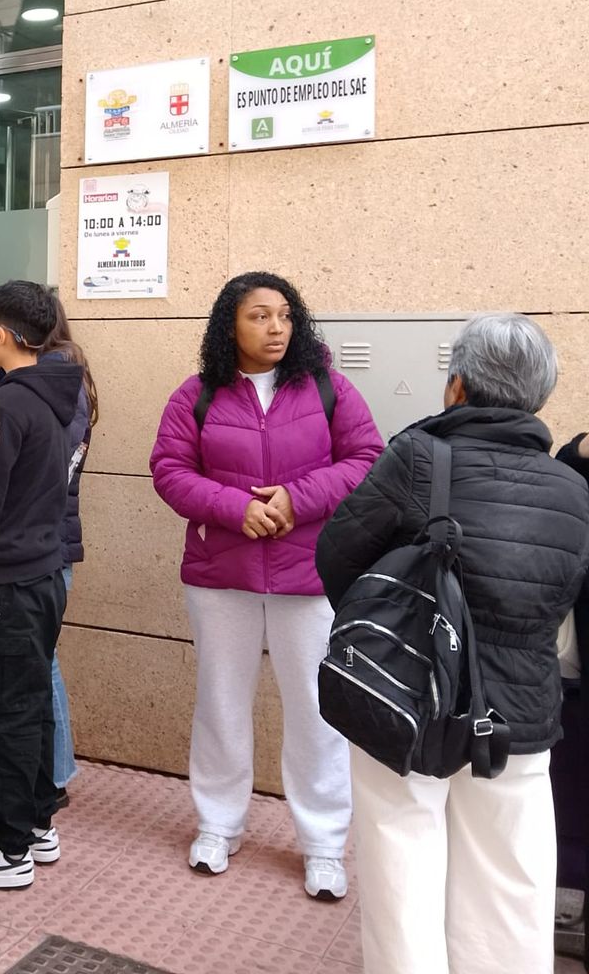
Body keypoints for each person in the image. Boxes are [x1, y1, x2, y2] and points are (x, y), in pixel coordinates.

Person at [316, 313, 589, 972]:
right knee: (510, 879)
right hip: (519, 711)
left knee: (401, 861)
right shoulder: (574, 488)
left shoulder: (418, 457)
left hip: (411, 696)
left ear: (457, 386)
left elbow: (337, 554)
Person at [150, 272, 383, 899]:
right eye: (259, 316)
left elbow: (365, 458)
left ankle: (323, 843)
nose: (275, 327)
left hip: (308, 576)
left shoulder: (329, 388)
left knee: (315, 709)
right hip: (220, 575)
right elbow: (169, 471)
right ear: (230, 324)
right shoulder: (196, 395)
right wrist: (234, 508)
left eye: (283, 315)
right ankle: (218, 825)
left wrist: (295, 500)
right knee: (221, 701)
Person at [0, 281, 83, 892]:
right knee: (30, 706)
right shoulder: (57, 397)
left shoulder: (10, 405)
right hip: (42, 573)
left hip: (7, 582)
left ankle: (10, 850)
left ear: (1, 334)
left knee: (5, 715)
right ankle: (35, 825)